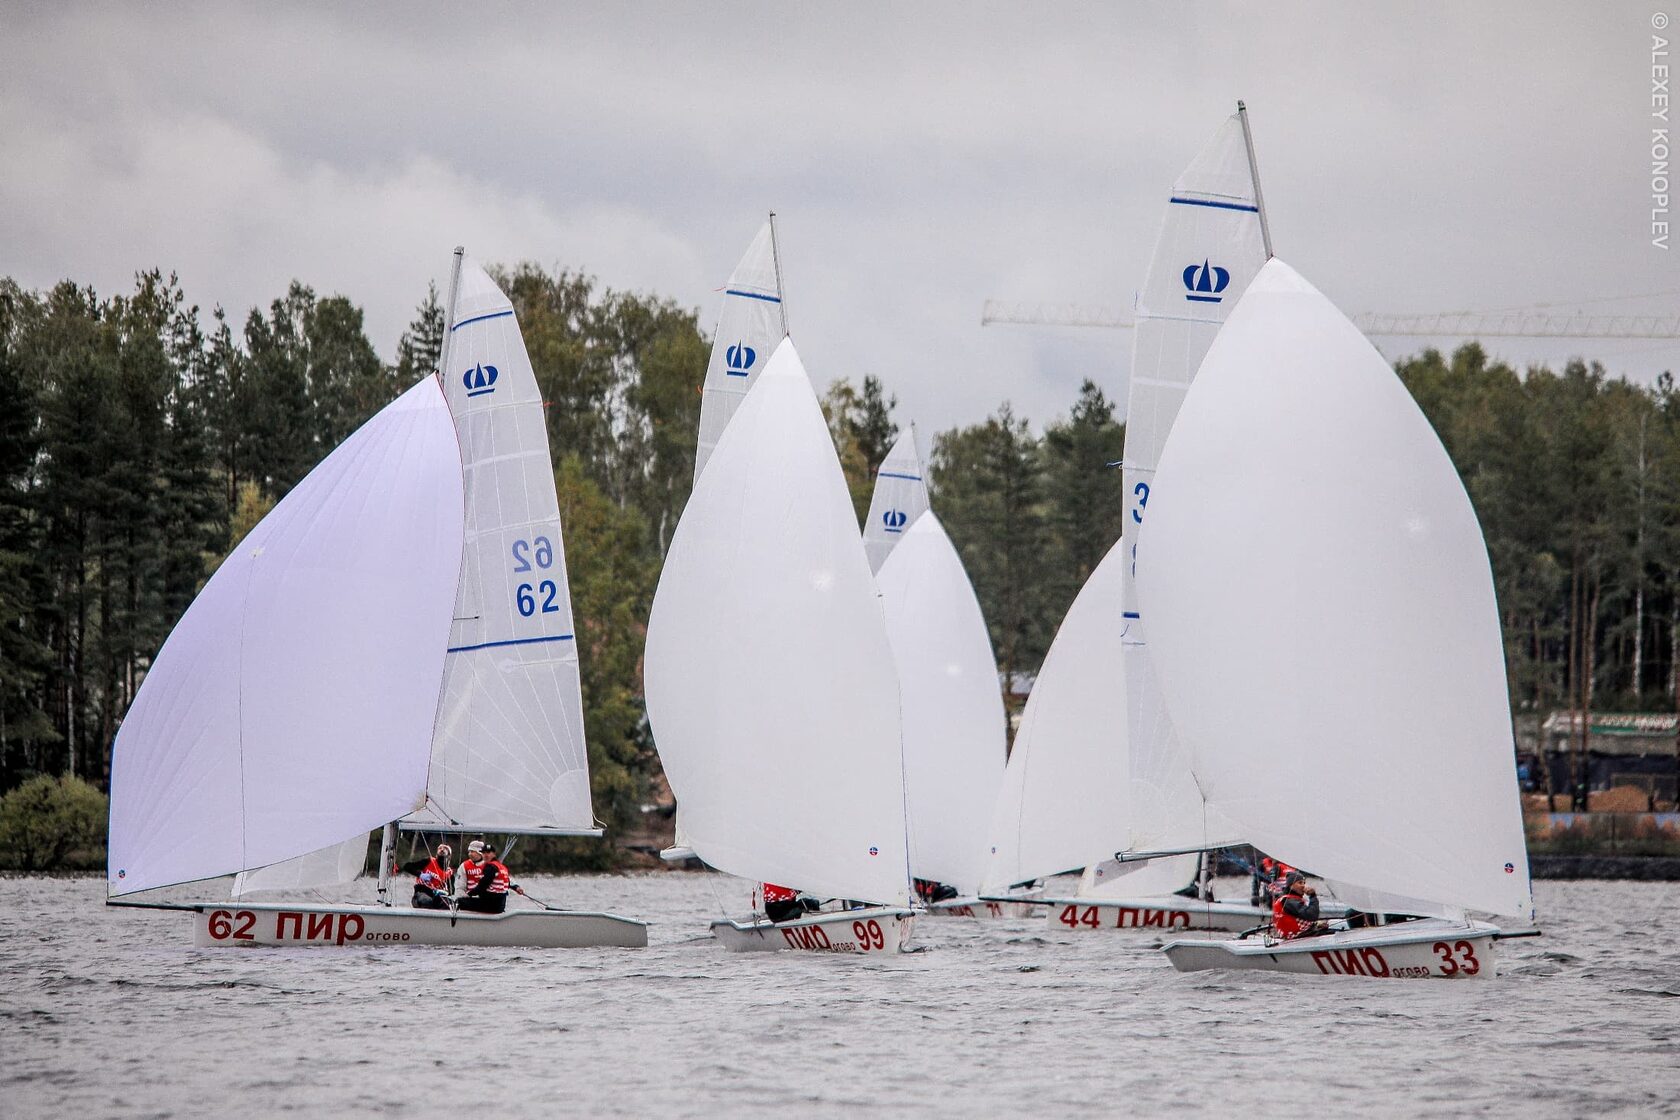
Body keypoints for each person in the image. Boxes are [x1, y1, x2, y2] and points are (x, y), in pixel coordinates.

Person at [458, 844, 524, 914]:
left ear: (494, 854)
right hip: (500, 906)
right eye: (484, 853)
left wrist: (468, 894)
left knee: (460, 901)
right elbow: (507, 881)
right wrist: (516, 887)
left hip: (490, 906)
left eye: (488, 853)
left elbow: (482, 886)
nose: (486, 855)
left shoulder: (490, 867)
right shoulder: (502, 867)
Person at [1272, 871, 1328, 940]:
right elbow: (1312, 915)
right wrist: (1312, 896)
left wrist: (1316, 924)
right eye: (1300, 883)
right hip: (1298, 937)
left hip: (1297, 935)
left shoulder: (1286, 899)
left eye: (1304, 883)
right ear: (1291, 885)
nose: (1303, 885)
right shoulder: (1289, 901)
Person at [411, 842, 454, 910]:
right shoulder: (428, 861)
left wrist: (445, 892)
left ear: (449, 854)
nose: (442, 849)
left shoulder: (449, 872)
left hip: (437, 895)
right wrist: (420, 874)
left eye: (445, 848)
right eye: (440, 848)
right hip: (421, 892)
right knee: (426, 901)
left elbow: (452, 890)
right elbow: (408, 867)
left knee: (448, 904)